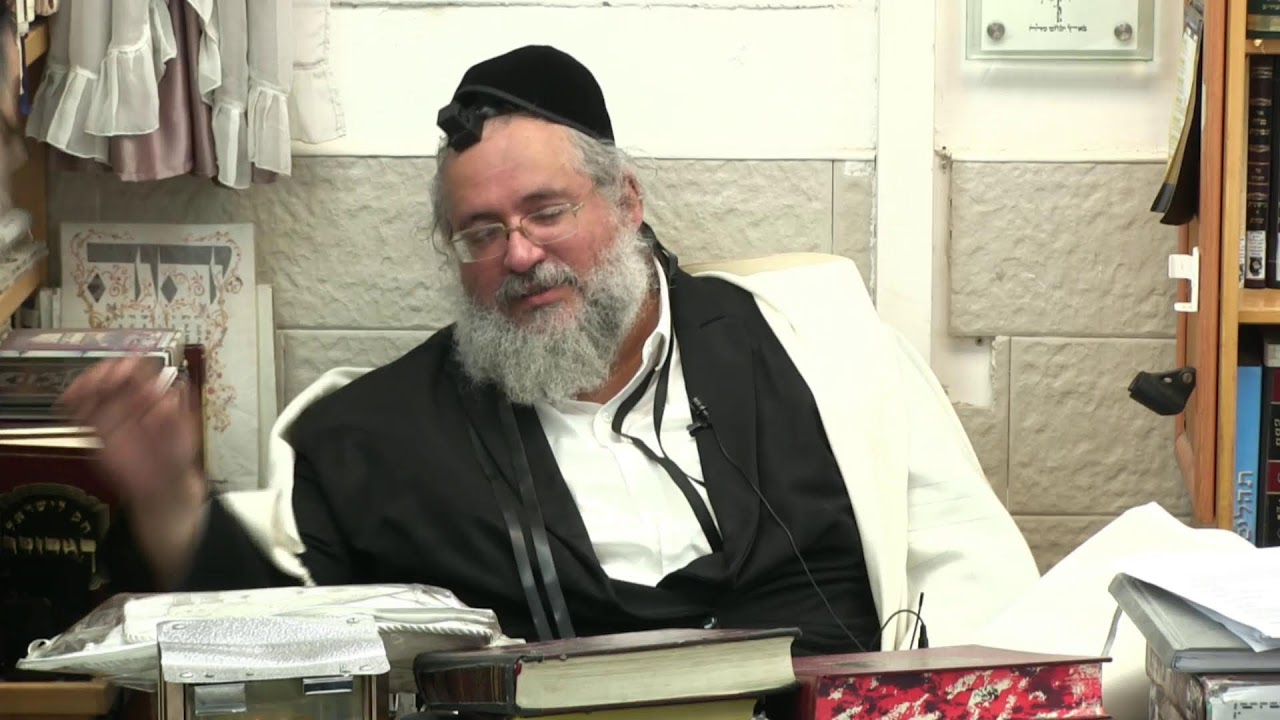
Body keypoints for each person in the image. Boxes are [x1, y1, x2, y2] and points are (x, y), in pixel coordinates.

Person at [62, 44, 1039, 657]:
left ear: (626, 202)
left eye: (546, 212)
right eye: (481, 233)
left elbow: (976, 584)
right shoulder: (369, 438)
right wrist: (172, 503)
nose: (520, 254)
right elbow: (282, 640)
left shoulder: (822, 349)